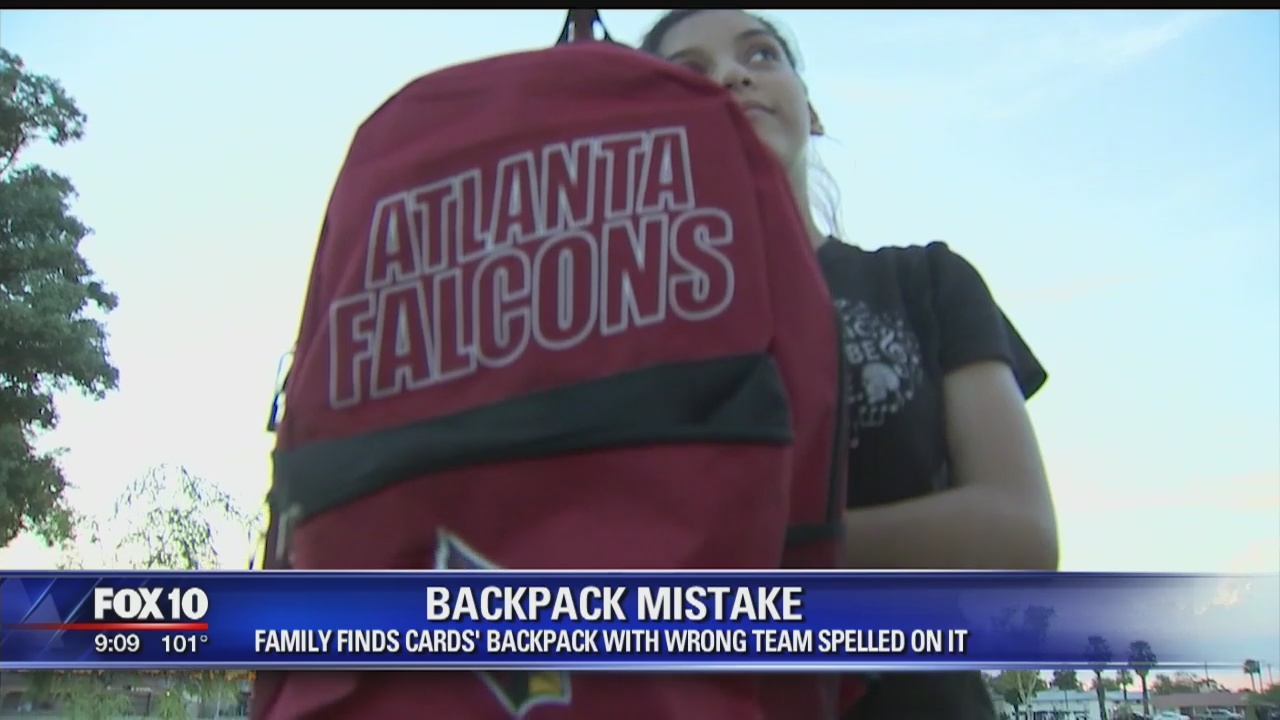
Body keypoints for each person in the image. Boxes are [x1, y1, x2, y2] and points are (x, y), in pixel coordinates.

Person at [639, 10, 1060, 720]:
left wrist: (745, 556)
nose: (734, 75)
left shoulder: (926, 280)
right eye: (692, 73)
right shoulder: (631, 327)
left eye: (762, 54)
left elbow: (1020, 533)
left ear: (814, 110)